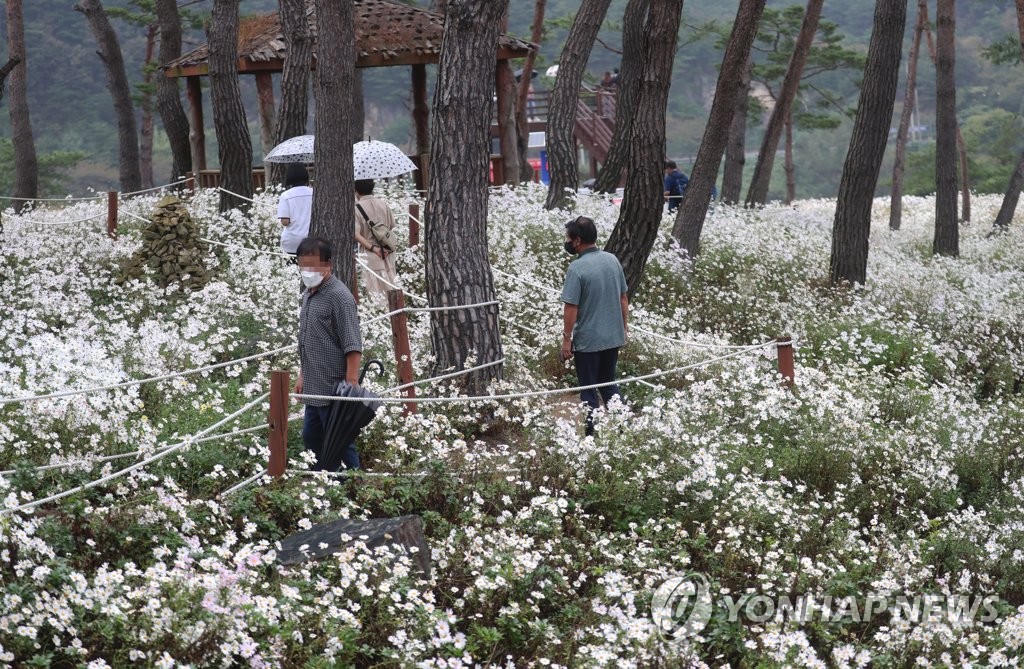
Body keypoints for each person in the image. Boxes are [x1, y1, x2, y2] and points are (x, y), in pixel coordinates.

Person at [294, 237, 363, 470]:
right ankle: (323, 480)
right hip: (314, 385)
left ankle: (356, 484)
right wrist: (302, 376)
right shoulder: (308, 294)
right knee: (311, 437)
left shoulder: (340, 297)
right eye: (303, 265)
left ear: (328, 265)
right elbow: (308, 340)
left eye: (313, 266)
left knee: (340, 440)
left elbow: (352, 344)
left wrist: (350, 385)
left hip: (335, 387)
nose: (307, 271)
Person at [560, 216, 629, 437]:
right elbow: (623, 299)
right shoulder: (612, 260)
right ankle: (622, 427)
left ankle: (591, 434)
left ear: (577, 240)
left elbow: (571, 309)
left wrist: (566, 339)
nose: (568, 243)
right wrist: (623, 329)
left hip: (589, 341)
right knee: (609, 383)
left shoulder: (577, 268)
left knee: (588, 387)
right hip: (612, 336)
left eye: (569, 239)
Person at [353, 179, 399, 299]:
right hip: (388, 251)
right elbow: (391, 226)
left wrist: (374, 248)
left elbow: (356, 234)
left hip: (371, 253)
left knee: (375, 292)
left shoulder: (357, 208)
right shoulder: (383, 204)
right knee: (392, 286)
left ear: (356, 190)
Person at [277, 163, 313, 258]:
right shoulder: (314, 192)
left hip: (292, 242)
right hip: (312, 240)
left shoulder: (285, 195)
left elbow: (285, 221)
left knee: (291, 271)